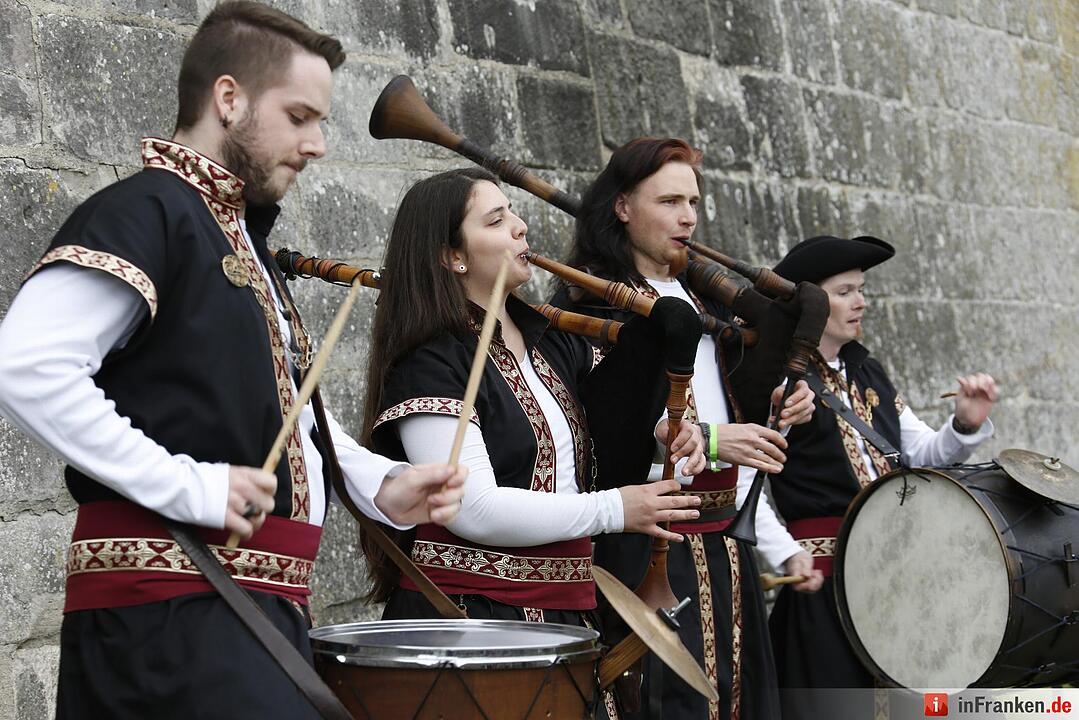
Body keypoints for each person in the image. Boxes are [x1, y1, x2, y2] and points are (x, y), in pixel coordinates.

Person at [0, 3, 465, 718]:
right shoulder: (144, 211)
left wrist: (380, 484)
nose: (315, 145)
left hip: (238, 612)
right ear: (229, 99)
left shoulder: (238, 238)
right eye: (301, 115)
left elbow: (283, 409)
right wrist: (188, 487)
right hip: (169, 622)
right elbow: (26, 365)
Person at [360, 167, 707, 715]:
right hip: (472, 623)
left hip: (570, 616)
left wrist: (665, 436)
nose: (521, 228)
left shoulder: (555, 345)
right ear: (453, 257)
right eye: (496, 220)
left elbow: (609, 447)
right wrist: (615, 508)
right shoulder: (432, 361)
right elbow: (471, 509)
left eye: (513, 213)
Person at [551, 136, 817, 720]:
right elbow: (601, 431)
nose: (688, 216)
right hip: (647, 540)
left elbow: (733, 407)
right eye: (670, 201)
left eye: (693, 201)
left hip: (726, 542)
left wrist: (780, 404)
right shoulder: (595, 304)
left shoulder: (709, 300)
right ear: (623, 207)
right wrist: (717, 440)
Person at [764, 235, 997, 719]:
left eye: (861, 289)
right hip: (824, 578)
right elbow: (746, 480)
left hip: (895, 574)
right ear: (810, 301)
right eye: (846, 290)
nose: (861, 301)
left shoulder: (868, 372)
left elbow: (922, 454)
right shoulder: (778, 379)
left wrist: (966, 424)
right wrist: (785, 552)